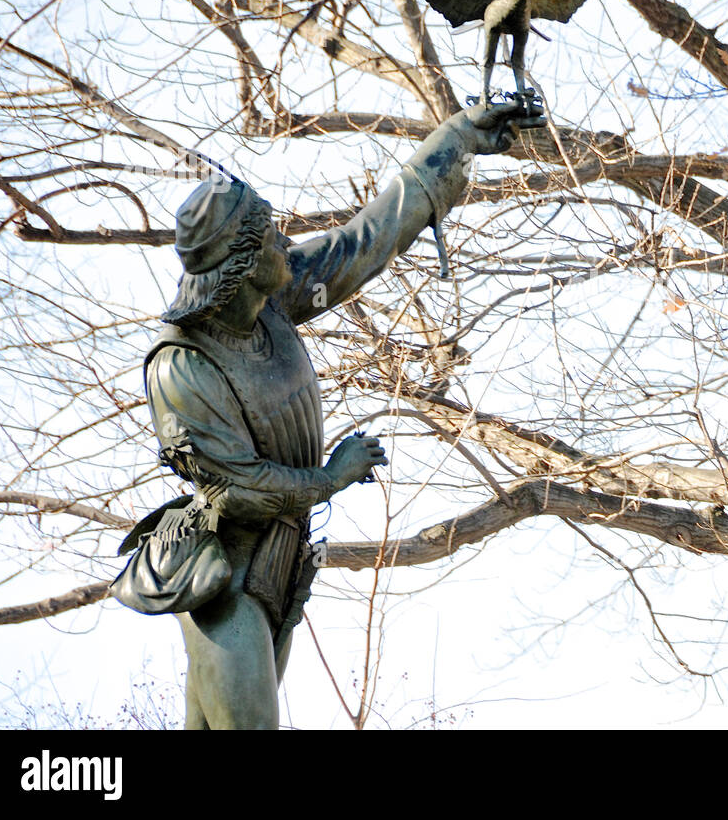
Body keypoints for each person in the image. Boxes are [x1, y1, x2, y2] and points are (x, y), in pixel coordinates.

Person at [137, 100, 543, 729]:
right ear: (243, 261)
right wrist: (332, 477)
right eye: (272, 234)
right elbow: (238, 489)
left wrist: (459, 139)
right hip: (220, 579)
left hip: (279, 567)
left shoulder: (271, 296)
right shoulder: (181, 366)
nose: (286, 241)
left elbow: (365, 241)